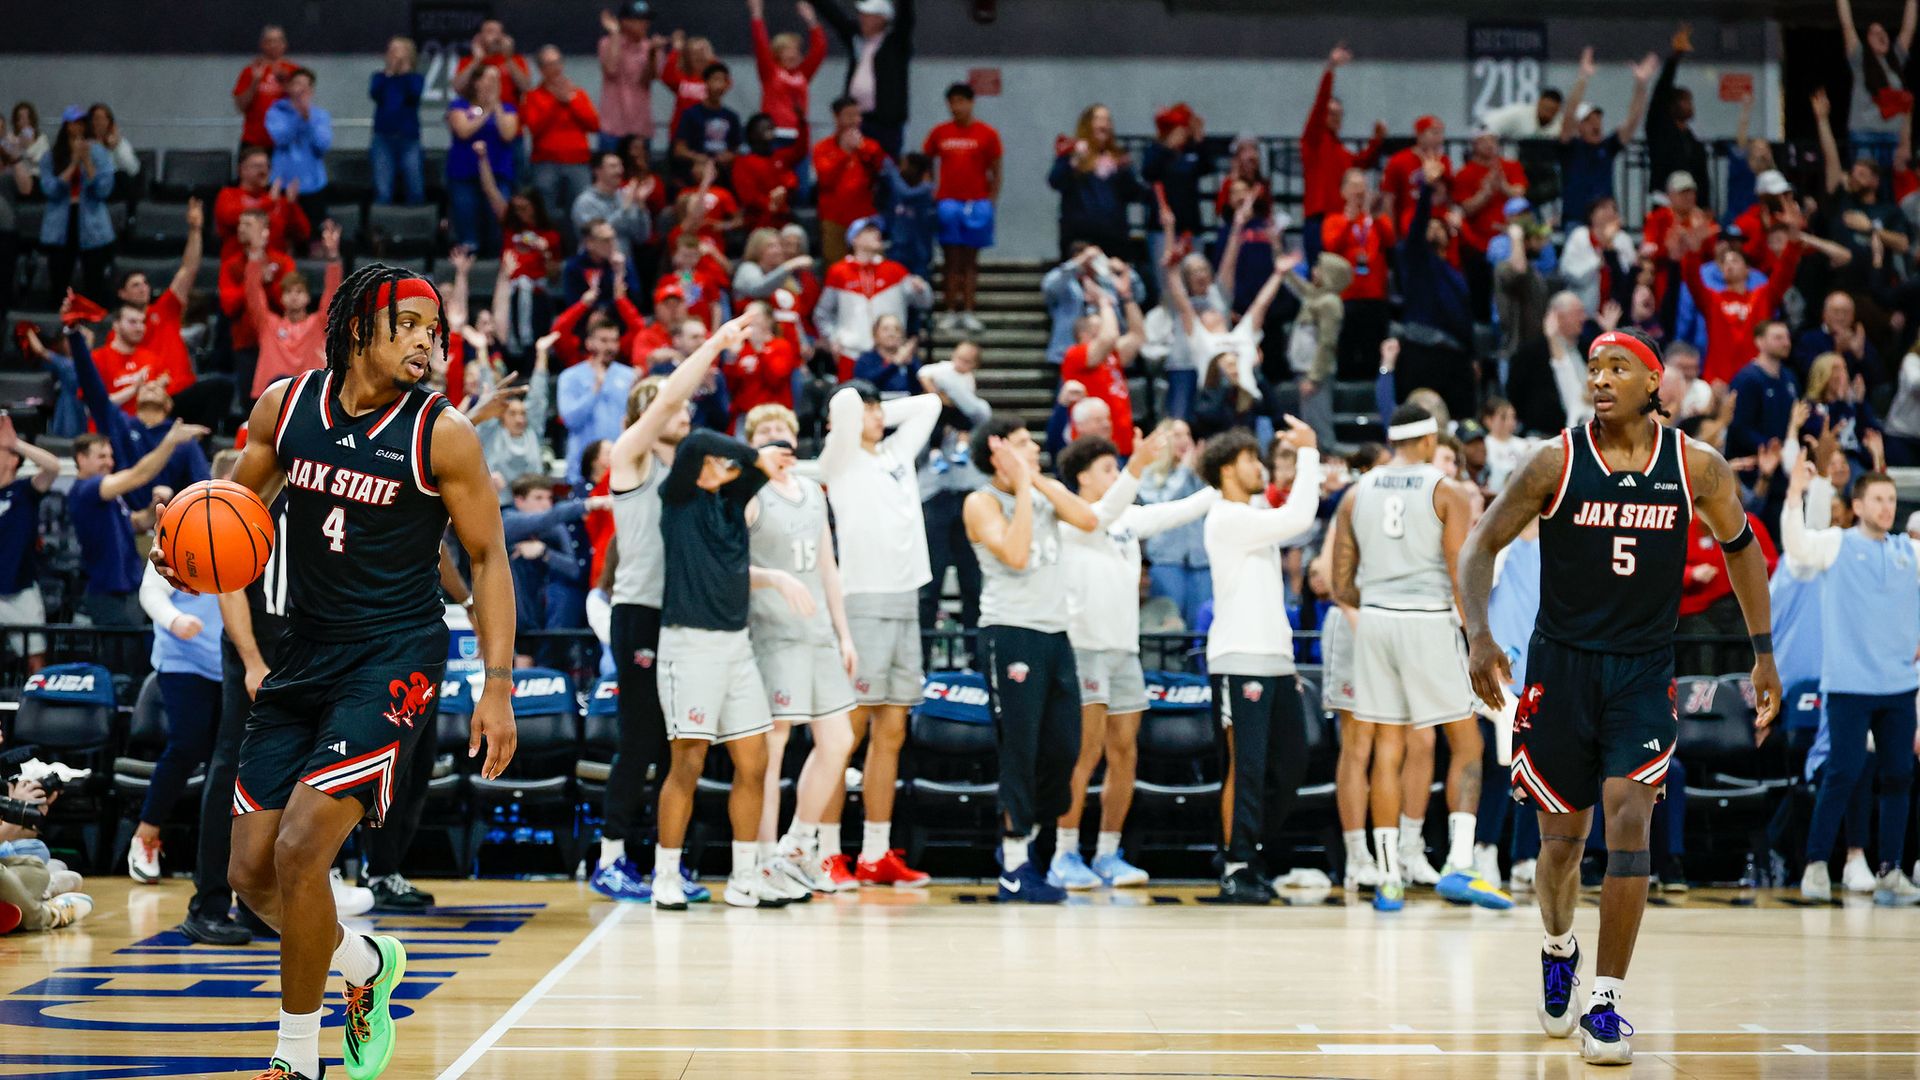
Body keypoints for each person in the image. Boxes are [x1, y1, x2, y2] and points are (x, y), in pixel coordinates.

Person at [148, 261, 517, 1080]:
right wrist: (183, 555)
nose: (427, 342)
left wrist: (498, 686)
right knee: (250, 872)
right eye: (410, 326)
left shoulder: (441, 432)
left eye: (434, 330)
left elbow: (489, 558)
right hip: (304, 650)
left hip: (395, 655)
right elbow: (231, 516)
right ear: (359, 328)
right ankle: (366, 965)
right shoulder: (286, 408)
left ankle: (296, 1058)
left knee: (303, 848)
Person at [1460, 328, 1781, 1065]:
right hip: (1563, 666)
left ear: (1654, 383)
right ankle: (1557, 944)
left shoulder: (1697, 466)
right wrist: (1477, 634)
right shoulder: (1555, 460)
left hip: (1641, 669)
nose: (1601, 378)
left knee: (1629, 815)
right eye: (1595, 367)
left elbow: (1743, 551)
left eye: (1618, 368)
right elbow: (1480, 543)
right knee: (1561, 844)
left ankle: (1605, 1003)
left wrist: (1762, 654)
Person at [646, 316, 803, 910]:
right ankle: (666, 873)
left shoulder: (733, 500)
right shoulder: (679, 495)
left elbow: (776, 457)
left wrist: (759, 465)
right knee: (685, 761)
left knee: (755, 761)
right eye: (724, 463)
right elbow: (697, 444)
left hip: (736, 646)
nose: (726, 468)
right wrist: (754, 455)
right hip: (688, 644)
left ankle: (745, 875)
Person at [1331, 403, 1513, 912]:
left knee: (1387, 746)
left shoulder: (1357, 491)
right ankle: (1458, 864)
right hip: (1428, 620)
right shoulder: (1445, 490)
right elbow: (1462, 571)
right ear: (1431, 439)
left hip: (1376, 621)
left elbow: (1341, 580)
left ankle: (1388, 877)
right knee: (1467, 744)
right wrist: (1480, 637)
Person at [590, 355, 741, 905]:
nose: (683, 413)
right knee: (639, 742)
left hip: (682, 617)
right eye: (670, 406)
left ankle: (665, 867)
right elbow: (667, 403)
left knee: (677, 745)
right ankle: (609, 859)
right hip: (639, 612)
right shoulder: (631, 459)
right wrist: (714, 346)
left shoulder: (688, 475)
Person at [1048, 429, 1214, 889]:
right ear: (1081, 477)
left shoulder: (1126, 519)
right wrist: (1138, 466)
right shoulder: (1070, 517)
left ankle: (1106, 853)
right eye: (1107, 468)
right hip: (1084, 649)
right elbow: (1099, 515)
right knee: (1085, 753)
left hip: (1125, 651)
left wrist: (1219, 487)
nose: (1116, 474)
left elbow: (1176, 511)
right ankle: (1064, 854)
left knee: (1125, 753)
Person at [961, 416, 1102, 903]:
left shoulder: (1042, 490)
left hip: (1055, 633)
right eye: (1023, 444)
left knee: (1064, 747)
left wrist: (1035, 480)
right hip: (1011, 633)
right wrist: (1022, 488)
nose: (1035, 447)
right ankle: (1015, 862)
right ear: (998, 455)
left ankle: (1031, 848)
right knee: (1019, 748)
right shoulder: (980, 501)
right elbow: (1016, 554)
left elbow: (1088, 519)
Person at [817, 382, 943, 886]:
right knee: (846, 733)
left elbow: (931, 403)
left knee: (892, 731)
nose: (876, 417)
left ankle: (874, 852)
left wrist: (876, 412)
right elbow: (846, 408)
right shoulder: (840, 457)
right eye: (866, 410)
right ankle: (824, 850)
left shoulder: (894, 453)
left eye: (879, 410)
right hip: (862, 601)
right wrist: (857, 408)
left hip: (906, 598)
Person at [1781, 461, 1920, 904]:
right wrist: (1795, 495)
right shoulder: (1836, 545)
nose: (1887, 507)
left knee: (1899, 775)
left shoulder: (1908, 551)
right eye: (1879, 499)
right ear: (1858, 505)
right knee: (1843, 771)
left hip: (1898, 684)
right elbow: (1797, 546)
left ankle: (1891, 869)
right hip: (1848, 684)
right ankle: (1817, 864)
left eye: (1892, 500)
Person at [1200, 421, 1323, 902]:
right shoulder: (1227, 518)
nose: (1261, 467)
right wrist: (1309, 456)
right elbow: (1299, 519)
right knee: (1244, 766)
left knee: (1290, 764)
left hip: (1274, 658)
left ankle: (1240, 846)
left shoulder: (1250, 512)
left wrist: (1287, 660)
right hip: (1238, 657)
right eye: (1253, 459)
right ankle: (1237, 863)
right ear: (1230, 468)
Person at [742, 403, 860, 895]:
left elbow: (829, 566)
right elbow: (731, 564)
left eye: (782, 428)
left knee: (838, 741)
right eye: (764, 429)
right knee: (774, 747)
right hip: (773, 632)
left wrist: (844, 631)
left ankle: (798, 843)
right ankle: (765, 858)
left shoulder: (812, 491)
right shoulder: (750, 494)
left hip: (818, 635)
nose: (775, 436)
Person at [129, 557, 226, 882]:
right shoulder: (176, 523)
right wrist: (175, 619)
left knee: (227, 761)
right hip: (182, 658)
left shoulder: (254, 519)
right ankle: (145, 836)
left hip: (233, 660)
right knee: (186, 746)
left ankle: (221, 856)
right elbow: (151, 591)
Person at [923, 82, 1002, 332]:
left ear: (971, 103)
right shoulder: (939, 133)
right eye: (952, 102)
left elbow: (996, 170)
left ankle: (968, 310)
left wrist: (990, 201)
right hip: (948, 201)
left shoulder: (987, 134)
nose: (956, 107)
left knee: (970, 260)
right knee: (950, 259)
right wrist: (931, 192)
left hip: (977, 202)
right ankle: (949, 310)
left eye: (961, 101)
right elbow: (927, 165)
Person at [815, 216, 932, 379]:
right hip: (851, 352)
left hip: (890, 354)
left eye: (877, 230)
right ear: (855, 239)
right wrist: (833, 338)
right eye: (869, 231)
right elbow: (822, 313)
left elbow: (924, 303)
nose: (877, 234)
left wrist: (922, 289)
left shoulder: (896, 270)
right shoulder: (838, 272)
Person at [1557, 49, 1657, 237]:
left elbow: (1633, 120)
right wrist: (1583, 78)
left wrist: (1641, 84)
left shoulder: (1608, 146)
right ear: (1579, 127)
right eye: (1588, 120)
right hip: (1576, 222)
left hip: (1606, 222)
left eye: (1598, 119)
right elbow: (1568, 116)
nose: (1596, 124)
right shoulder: (1570, 147)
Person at [1301, 45, 1387, 259]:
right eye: (1330, 114)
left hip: (1340, 219)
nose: (1334, 118)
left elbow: (1361, 164)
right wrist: (1330, 69)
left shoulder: (1342, 151)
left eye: (1339, 114)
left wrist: (1376, 141)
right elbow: (1319, 104)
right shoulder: (1313, 141)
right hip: (1319, 220)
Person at [246, 220, 343, 400]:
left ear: (307, 297)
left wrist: (333, 256)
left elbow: (332, 293)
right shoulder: (268, 324)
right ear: (281, 298)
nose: (294, 296)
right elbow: (252, 292)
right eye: (288, 292)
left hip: (309, 398)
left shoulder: (318, 323)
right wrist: (255, 253)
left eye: (299, 291)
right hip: (270, 399)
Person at [816, 0, 915, 156]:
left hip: (886, 122)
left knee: (884, 165)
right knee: (855, 166)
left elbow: (906, 19)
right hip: (856, 120)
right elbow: (835, 17)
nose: (862, 19)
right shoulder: (858, 40)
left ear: (882, 19)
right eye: (861, 15)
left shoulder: (896, 43)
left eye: (868, 16)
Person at [0, 417, 58, 674]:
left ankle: (35, 707)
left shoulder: (25, 491)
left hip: (19, 588)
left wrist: (16, 444)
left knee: (35, 658)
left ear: (13, 460)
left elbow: (53, 467)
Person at [1049, 104, 1146, 260]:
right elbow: (1055, 181)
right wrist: (1073, 163)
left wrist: (1126, 172)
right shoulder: (1073, 154)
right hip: (1081, 236)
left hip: (1113, 237)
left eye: (1108, 120)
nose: (1104, 124)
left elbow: (1134, 194)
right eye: (1099, 119)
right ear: (1088, 124)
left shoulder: (1117, 157)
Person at [557, 307, 639, 488]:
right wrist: (595, 390)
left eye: (614, 341)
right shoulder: (570, 377)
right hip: (582, 471)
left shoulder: (630, 377)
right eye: (603, 340)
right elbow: (570, 420)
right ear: (589, 343)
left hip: (620, 468)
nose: (610, 347)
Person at [40, 106, 116, 303]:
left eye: (82, 122)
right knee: (59, 283)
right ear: (66, 125)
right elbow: (50, 190)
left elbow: (104, 190)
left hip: (92, 225)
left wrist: (87, 162)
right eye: (74, 122)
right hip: (60, 224)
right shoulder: (51, 156)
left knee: (94, 284)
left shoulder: (98, 152)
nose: (78, 126)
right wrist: (73, 163)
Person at [523, 46, 602, 232]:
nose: (556, 67)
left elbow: (593, 124)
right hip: (546, 163)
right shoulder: (533, 96)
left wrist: (570, 101)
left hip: (578, 162)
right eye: (550, 64)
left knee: (581, 213)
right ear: (541, 69)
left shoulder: (577, 94)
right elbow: (535, 128)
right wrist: (555, 103)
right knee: (545, 212)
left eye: (558, 62)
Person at [446, 66, 521, 254]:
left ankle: (496, 259)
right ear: (476, 82)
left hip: (498, 173)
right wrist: (486, 111)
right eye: (488, 79)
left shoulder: (508, 109)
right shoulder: (459, 106)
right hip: (464, 173)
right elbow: (463, 131)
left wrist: (495, 106)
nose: (493, 84)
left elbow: (508, 134)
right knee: (466, 219)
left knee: (498, 222)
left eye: (497, 80)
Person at [812, 97, 888, 264]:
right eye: (849, 115)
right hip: (833, 217)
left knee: (871, 263)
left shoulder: (871, 146)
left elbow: (880, 172)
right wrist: (844, 153)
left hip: (864, 217)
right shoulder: (822, 147)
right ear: (836, 117)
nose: (855, 120)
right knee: (834, 265)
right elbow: (825, 179)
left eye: (858, 115)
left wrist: (861, 150)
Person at [748, 0, 829, 152]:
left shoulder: (803, 74)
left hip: (798, 138)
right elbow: (761, 46)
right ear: (778, 52)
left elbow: (819, 50)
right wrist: (756, 14)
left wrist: (812, 22)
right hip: (773, 136)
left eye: (797, 50)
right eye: (788, 49)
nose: (794, 54)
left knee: (800, 176)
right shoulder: (770, 72)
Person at [1838, 0, 1917, 144]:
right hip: (1863, 133)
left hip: (1893, 134)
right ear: (1867, 40)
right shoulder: (1859, 59)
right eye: (1875, 33)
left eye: (1883, 32)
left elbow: (1908, 29)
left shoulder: (1896, 59)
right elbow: (1847, 26)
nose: (1881, 35)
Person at [265, 69, 332, 231]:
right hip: (282, 183)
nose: (301, 89)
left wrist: (308, 119)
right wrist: (299, 117)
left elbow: (323, 145)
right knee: (283, 235)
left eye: (305, 85)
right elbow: (281, 138)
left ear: (311, 90)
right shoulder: (276, 112)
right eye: (297, 83)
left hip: (313, 184)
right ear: (288, 87)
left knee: (314, 236)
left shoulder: (321, 116)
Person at [1648, 26, 1710, 199]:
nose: (1690, 105)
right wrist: (1674, 58)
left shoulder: (1692, 138)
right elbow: (1660, 92)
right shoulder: (1659, 129)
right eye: (1684, 101)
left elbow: (1702, 176)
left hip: (1690, 203)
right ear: (1671, 105)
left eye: (1690, 101)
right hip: (1665, 199)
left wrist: (1705, 204)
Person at [597, 2, 664, 150]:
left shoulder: (651, 47)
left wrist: (652, 54)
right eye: (638, 20)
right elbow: (610, 69)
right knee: (609, 169)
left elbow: (650, 78)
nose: (644, 24)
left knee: (640, 170)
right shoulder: (607, 43)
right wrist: (614, 33)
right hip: (612, 126)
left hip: (640, 126)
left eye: (646, 20)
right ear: (624, 22)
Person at [369, 38, 426, 206]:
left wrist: (404, 72)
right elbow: (376, 94)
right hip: (383, 137)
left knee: (414, 184)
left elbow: (413, 93)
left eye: (399, 50)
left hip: (409, 138)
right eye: (391, 50)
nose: (394, 54)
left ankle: (416, 221)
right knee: (383, 189)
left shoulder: (415, 78)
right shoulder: (379, 77)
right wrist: (390, 72)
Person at [571, 152, 655, 263]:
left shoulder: (624, 197)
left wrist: (640, 204)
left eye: (620, 166)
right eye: (613, 166)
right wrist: (625, 208)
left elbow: (642, 237)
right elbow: (598, 234)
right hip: (594, 266)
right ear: (597, 171)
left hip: (624, 264)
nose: (619, 171)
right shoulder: (585, 202)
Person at [670, 61, 743, 188]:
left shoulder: (732, 117)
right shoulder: (691, 114)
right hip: (695, 170)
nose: (718, 85)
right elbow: (679, 149)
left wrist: (728, 156)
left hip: (723, 171)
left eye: (722, 81)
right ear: (706, 82)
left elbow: (737, 149)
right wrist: (698, 157)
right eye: (715, 79)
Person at [233, 25, 297, 150]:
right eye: (269, 41)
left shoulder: (293, 71)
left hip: (284, 141)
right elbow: (241, 106)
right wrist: (255, 82)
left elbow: (303, 105)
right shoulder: (250, 71)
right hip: (254, 141)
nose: (273, 45)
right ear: (262, 44)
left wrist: (286, 85)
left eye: (277, 41)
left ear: (284, 44)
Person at [452, 19, 533, 108]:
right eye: (490, 32)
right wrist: (476, 60)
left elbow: (526, 87)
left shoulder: (516, 60)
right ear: (479, 37)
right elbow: (457, 88)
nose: (496, 37)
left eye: (499, 33)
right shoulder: (468, 61)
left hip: (507, 110)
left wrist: (508, 58)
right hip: (476, 109)